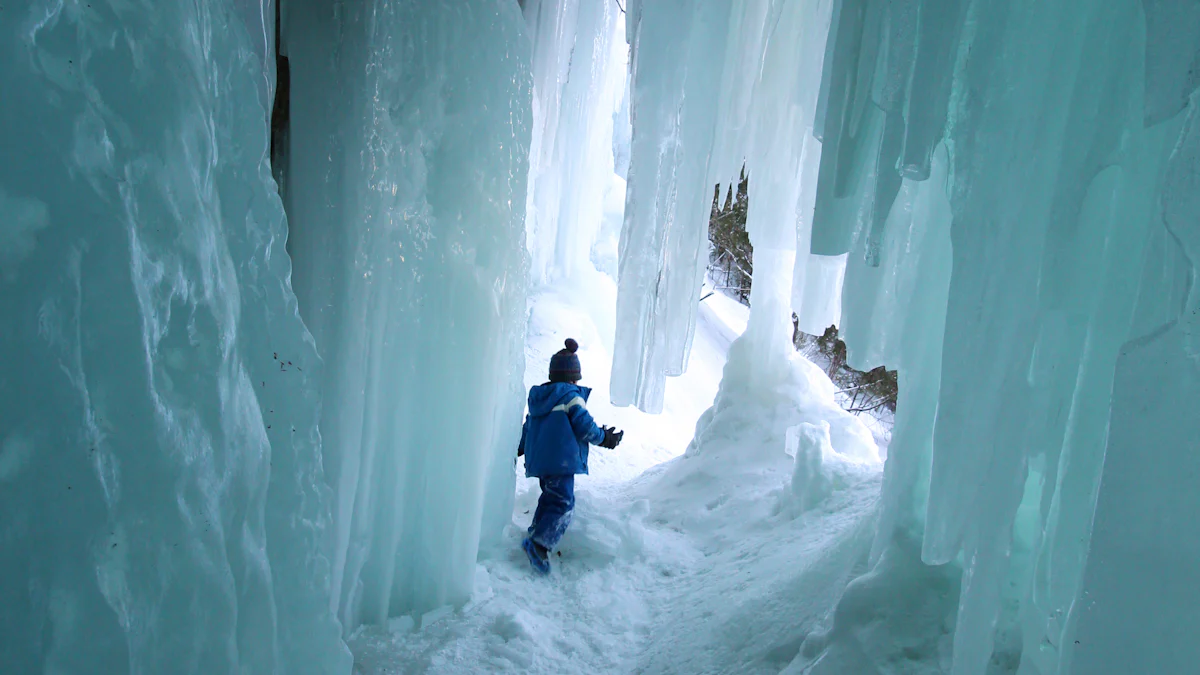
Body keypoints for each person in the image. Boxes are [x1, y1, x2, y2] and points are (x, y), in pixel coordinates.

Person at [516, 338, 623, 574]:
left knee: (550, 498)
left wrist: (518, 448)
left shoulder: (539, 399)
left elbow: (528, 427)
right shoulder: (571, 396)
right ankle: (539, 545)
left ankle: (534, 534)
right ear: (573, 377)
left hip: (541, 462)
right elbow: (584, 426)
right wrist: (605, 438)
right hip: (561, 461)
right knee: (563, 503)